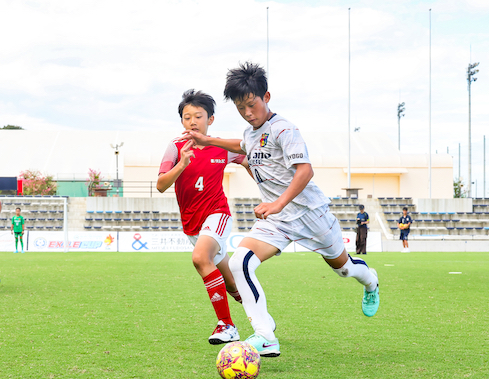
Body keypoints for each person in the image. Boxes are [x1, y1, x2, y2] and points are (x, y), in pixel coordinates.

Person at [183, 62, 380, 357]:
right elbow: (242, 145)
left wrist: (277, 203)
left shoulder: (284, 129)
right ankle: (265, 335)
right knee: (240, 263)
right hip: (277, 221)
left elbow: (305, 171)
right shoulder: (250, 133)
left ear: (267, 97)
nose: (248, 113)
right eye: (240, 108)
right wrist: (208, 140)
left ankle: (371, 281)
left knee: (343, 269)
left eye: (252, 105)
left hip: (310, 215)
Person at [157, 89, 250, 345]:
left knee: (200, 258)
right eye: (187, 117)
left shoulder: (221, 147)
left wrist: (272, 195)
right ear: (182, 122)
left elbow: (249, 161)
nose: (193, 122)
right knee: (232, 285)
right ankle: (262, 320)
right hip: (192, 226)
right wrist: (182, 163)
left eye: (198, 116)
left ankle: (227, 325)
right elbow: (161, 185)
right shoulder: (175, 148)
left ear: (210, 119)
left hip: (217, 215)